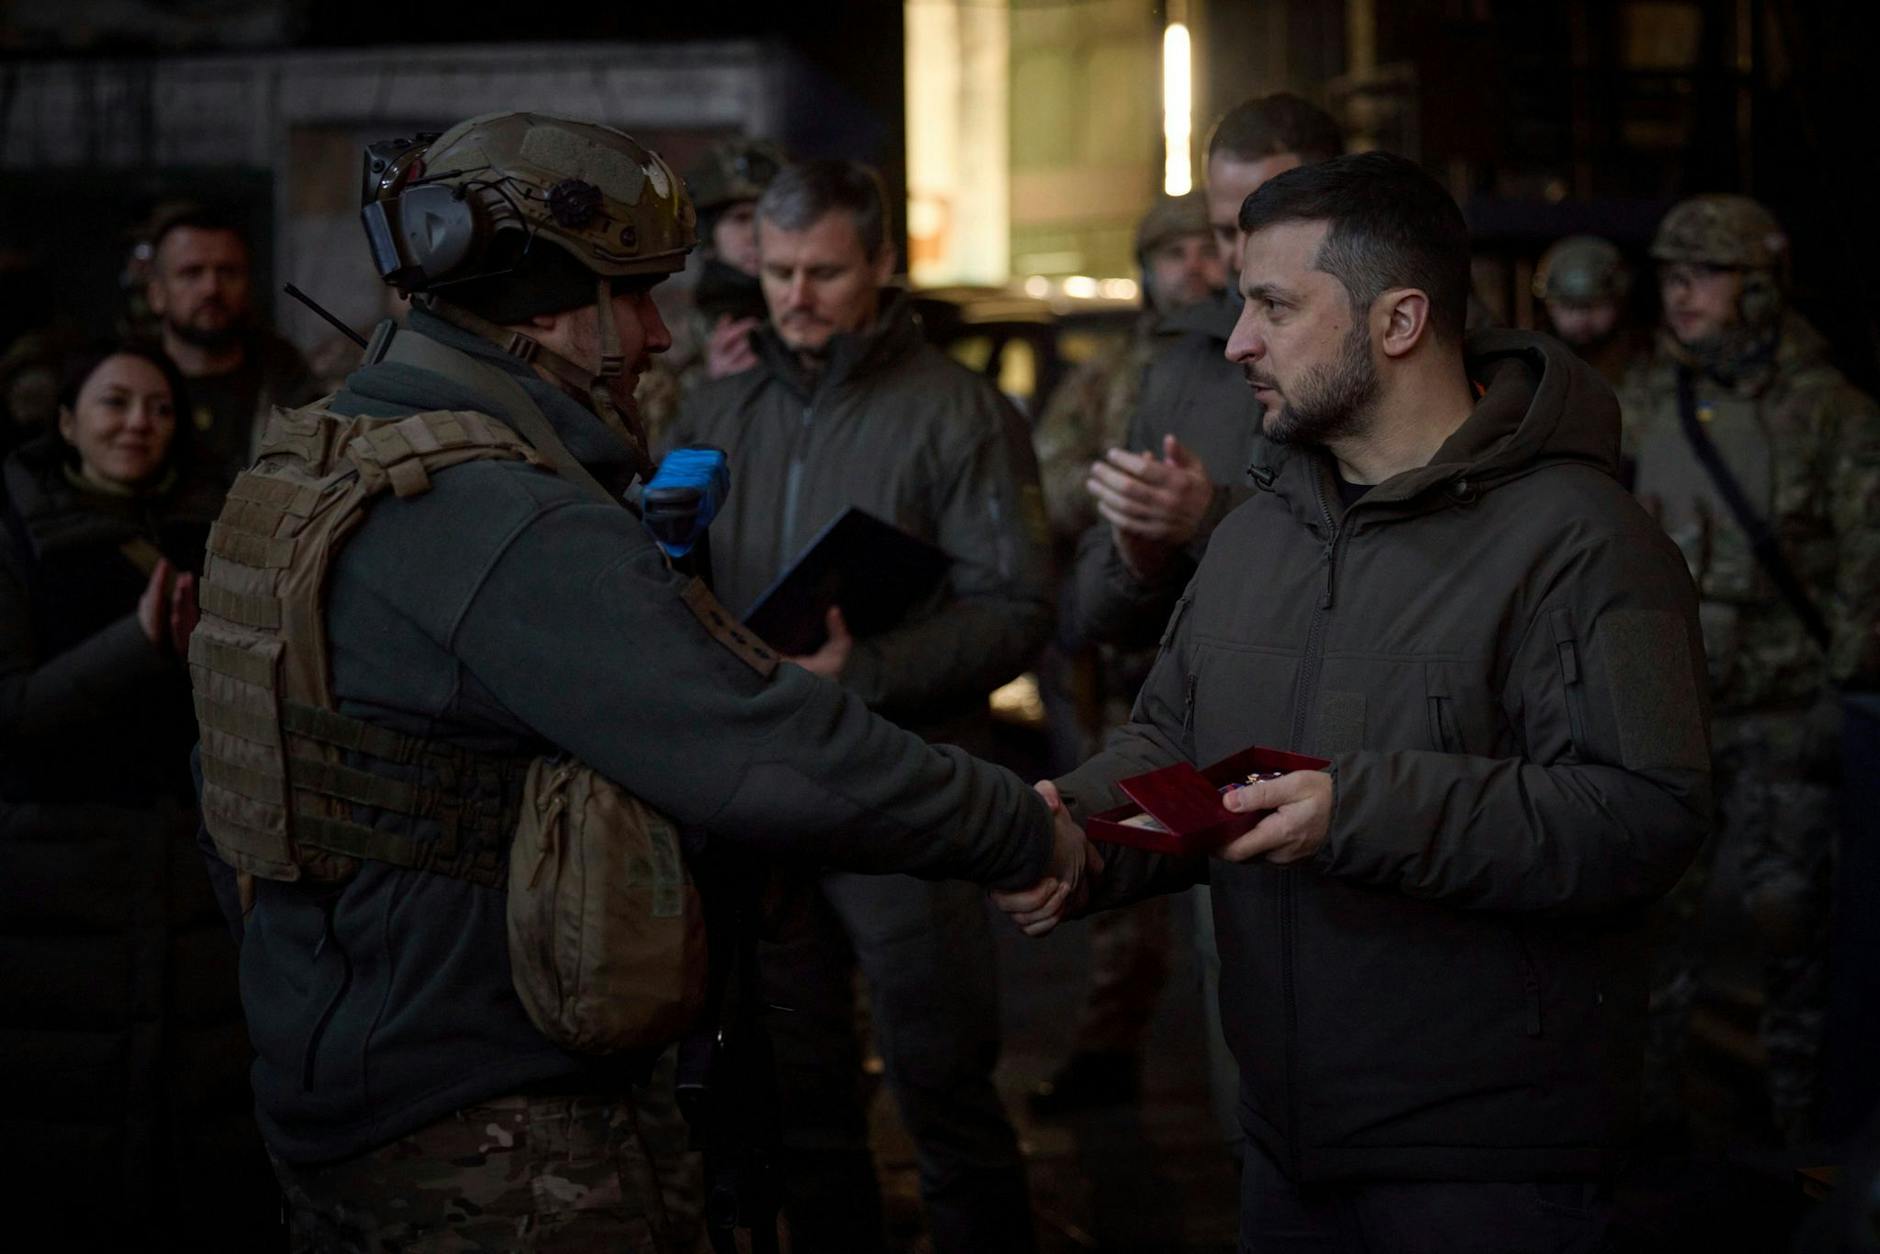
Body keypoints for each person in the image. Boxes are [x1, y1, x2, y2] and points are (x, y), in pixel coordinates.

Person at [189, 113, 1083, 1253]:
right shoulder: (496, 511)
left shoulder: (309, 464)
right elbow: (758, 743)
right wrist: (1021, 830)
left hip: (334, 1077)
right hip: (489, 1126)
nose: (662, 334)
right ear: (549, 308)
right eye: (638, 295)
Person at [1001, 152, 1713, 1252]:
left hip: (1484, 1174)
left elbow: (1643, 816)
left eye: (1273, 307)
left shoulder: (1581, 543)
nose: (1236, 343)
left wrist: (1358, 810)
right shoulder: (1256, 531)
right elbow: (1180, 752)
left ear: (1398, 321)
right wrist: (1081, 835)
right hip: (1283, 1149)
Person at [668, 158, 1053, 1253]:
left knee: (944, 1090)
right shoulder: (716, 409)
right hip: (767, 802)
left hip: (905, 795)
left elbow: (1019, 606)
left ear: (883, 265)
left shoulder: (961, 413)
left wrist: (867, 673)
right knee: (800, 1104)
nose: (795, 296)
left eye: (825, 272)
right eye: (779, 271)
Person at [1065, 91, 1343, 1147]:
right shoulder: (1185, 369)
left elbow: (1381, 557)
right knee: (1255, 1083)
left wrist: (1206, 518)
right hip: (1224, 760)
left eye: (1251, 227)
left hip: (1370, 770)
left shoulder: (1396, 357)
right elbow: (1089, 604)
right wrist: (1143, 547)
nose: (1228, 258)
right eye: (1218, 230)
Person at [1618, 193, 1880, 1146]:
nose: (1679, 294)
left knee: (1789, 922)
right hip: (1670, 709)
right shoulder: (1647, 399)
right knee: (1653, 921)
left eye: (1704, 275)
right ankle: (1645, 1120)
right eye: (1670, 275)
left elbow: (1867, 564)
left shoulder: (1832, 413)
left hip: (1781, 715)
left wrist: (1839, 695)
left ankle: (1804, 1134)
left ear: (1760, 290)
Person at [0, 343, 273, 1246]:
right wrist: (138, 643)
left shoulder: (218, 523)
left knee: (200, 1130)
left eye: (157, 407)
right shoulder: (16, 532)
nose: (137, 424)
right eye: (113, 404)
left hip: (199, 866)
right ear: (69, 421)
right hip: (58, 878)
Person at [1027, 190, 1220, 1117]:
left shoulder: (1252, 365)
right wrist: (1123, 487)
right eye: (1172, 251)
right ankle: (1110, 1049)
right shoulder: (1109, 380)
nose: (1192, 267)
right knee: (1125, 869)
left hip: (1234, 672)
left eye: (1206, 246)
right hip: (1134, 683)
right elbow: (1048, 486)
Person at [144, 204, 320, 481]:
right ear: (156, 293)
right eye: (191, 273)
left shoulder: (292, 389)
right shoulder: (124, 385)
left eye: (228, 272)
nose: (211, 288)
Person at [635, 137, 787, 449]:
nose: (758, 233)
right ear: (709, 233)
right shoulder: (667, 339)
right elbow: (651, 455)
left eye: (771, 217)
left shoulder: (810, 323)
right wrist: (712, 388)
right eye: (741, 218)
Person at [1533, 235, 1645, 389]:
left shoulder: (1647, 369)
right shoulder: (1530, 370)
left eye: (1595, 306)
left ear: (1618, 303)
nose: (1581, 320)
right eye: (1569, 306)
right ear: (1550, 307)